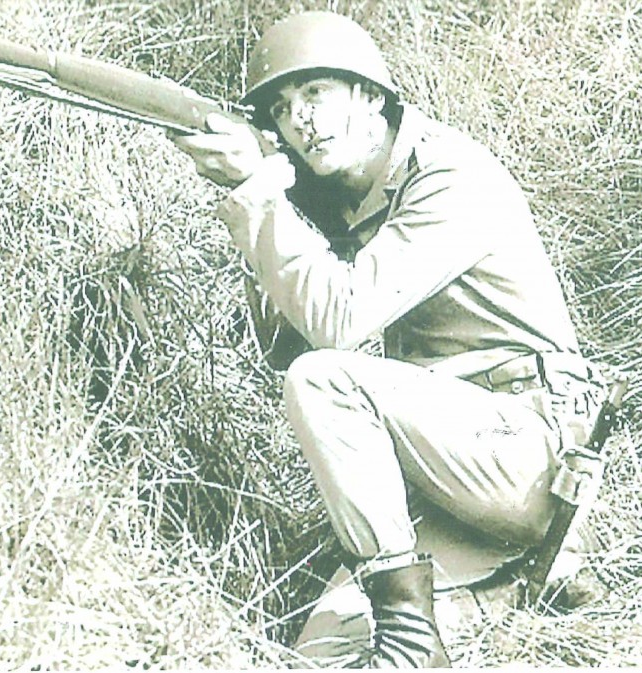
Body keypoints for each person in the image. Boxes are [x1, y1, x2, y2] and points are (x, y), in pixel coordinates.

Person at [171, 11, 607, 669]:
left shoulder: (450, 175)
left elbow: (336, 330)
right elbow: (283, 355)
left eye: (317, 93)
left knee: (326, 379)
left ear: (371, 95)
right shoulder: (351, 195)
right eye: (285, 108)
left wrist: (258, 195)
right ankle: (528, 587)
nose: (302, 121)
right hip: (450, 479)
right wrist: (277, 216)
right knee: (324, 651)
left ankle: (415, 643)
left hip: (527, 457)